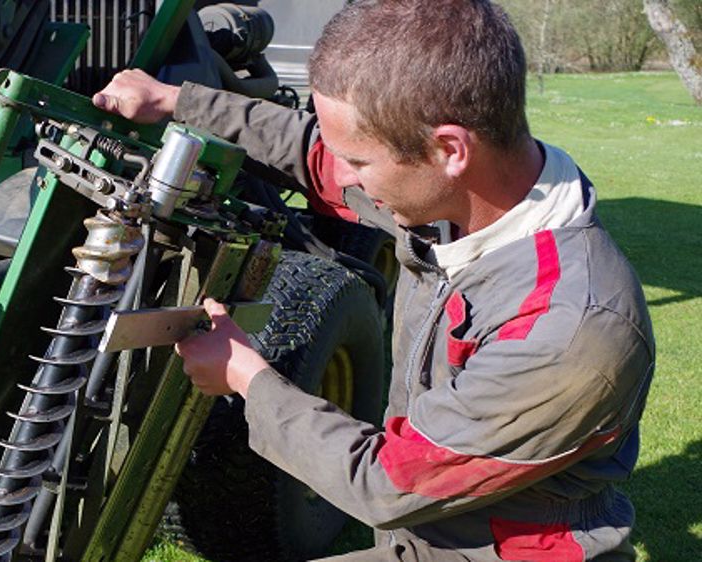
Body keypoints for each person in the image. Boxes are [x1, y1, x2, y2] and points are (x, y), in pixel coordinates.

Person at [93, 1, 655, 559]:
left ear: (450, 149)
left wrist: (247, 376)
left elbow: (388, 481)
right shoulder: (459, 197)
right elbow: (311, 153)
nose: (342, 177)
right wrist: (175, 101)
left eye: (359, 162)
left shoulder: (570, 328)